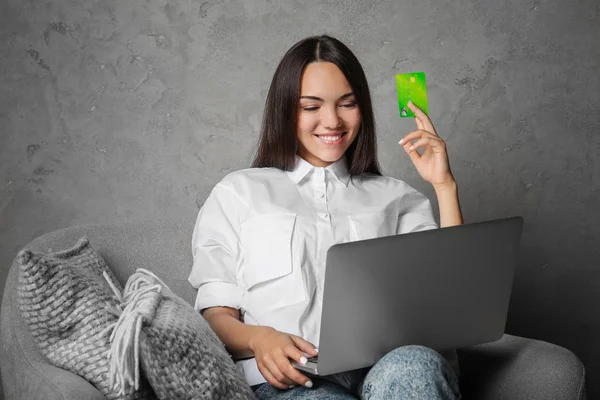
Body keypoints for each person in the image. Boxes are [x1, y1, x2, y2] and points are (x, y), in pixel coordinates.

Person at [188, 34, 464, 400]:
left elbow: (451, 297)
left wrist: (444, 185)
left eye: (347, 104)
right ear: (286, 110)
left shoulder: (396, 197)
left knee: (415, 368)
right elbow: (215, 317)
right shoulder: (238, 192)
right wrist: (260, 338)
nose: (332, 121)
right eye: (311, 106)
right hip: (293, 380)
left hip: (383, 368)